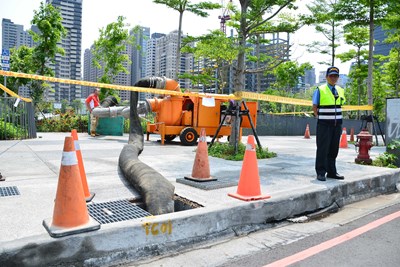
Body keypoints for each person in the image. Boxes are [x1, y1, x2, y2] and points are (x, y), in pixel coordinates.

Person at [312, 66, 346, 181]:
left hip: (337, 125)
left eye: (335, 76)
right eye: (331, 76)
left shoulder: (340, 90)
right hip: (324, 124)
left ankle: (332, 172)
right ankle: (320, 172)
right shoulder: (320, 89)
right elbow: (314, 106)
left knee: (333, 149)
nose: (333, 78)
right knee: (323, 148)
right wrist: (320, 117)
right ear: (327, 77)